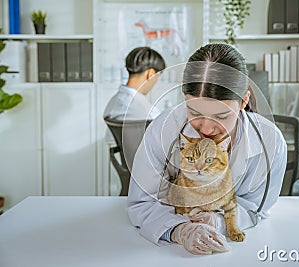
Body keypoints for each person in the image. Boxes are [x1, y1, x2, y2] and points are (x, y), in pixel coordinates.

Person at [127, 43, 287, 255]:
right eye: (194, 112)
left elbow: (257, 207)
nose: (207, 128)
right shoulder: (163, 130)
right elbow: (142, 202)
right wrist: (180, 229)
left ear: (244, 101)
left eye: (221, 116)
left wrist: (219, 221)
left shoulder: (271, 142)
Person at [103, 46, 166, 120]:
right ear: (150, 74)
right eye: (157, 76)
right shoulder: (150, 113)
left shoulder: (113, 102)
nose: (156, 81)